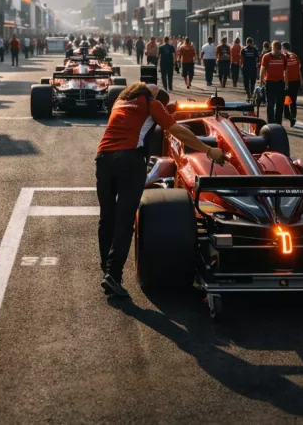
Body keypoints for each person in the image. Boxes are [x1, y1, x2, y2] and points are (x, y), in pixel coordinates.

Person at [96, 82, 225, 298]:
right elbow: (176, 131)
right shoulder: (150, 103)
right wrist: (208, 149)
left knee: (106, 217)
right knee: (125, 220)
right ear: (151, 94)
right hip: (129, 160)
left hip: (103, 160)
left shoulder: (120, 102)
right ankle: (113, 274)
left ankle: (107, 271)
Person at [259, 40, 287, 124]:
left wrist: (286, 83)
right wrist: (260, 82)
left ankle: (278, 122)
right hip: (270, 82)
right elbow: (262, 70)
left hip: (280, 82)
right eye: (276, 48)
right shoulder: (266, 57)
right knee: (270, 104)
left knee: (280, 104)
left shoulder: (283, 57)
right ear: (272, 48)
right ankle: (270, 123)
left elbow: (286, 71)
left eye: (279, 49)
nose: (278, 51)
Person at [281, 42, 301, 127]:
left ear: (283, 48)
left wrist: (285, 83)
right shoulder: (295, 56)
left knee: (285, 100)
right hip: (296, 81)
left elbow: (283, 70)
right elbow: (299, 67)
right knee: (293, 101)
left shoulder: (284, 56)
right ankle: (293, 116)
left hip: (287, 82)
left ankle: (288, 116)